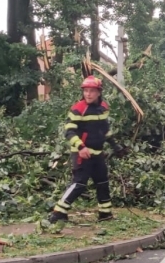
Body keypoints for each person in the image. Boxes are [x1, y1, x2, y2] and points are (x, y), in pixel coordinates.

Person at [45, 75, 114, 224]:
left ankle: (105, 213)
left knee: (102, 182)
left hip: (98, 153)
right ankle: (58, 212)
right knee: (79, 183)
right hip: (82, 153)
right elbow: (69, 131)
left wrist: (116, 145)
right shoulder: (78, 109)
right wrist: (80, 147)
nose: (88, 94)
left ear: (99, 92)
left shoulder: (104, 108)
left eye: (92, 91)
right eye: (86, 91)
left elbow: (105, 129)